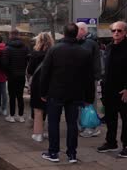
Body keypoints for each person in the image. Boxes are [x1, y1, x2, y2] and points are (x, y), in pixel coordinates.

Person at [40, 23, 94, 163]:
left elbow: (45, 73)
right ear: (76, 33)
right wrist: (89, 97)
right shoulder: (84, 52)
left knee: (53, 123)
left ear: (63, 33)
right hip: (75, 94)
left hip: (56, 93)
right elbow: (89, 77)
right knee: (72, 124)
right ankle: (72, 154)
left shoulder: (54, 50)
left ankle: (53, 153)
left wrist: (43, 92)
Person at [97, 21, 127, 158]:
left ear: (125, 32)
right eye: (114, 31)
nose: (116, 33)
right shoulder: (110, 47)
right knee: (111, 119)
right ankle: (111, 142)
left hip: (124, 91)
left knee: (126, 120)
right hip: (109, 91)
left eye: (119, 31)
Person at [76, 22, 102, 138]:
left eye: (76, 30)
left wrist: (96, 78)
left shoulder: (88, 43)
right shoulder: (89, 43)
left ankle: (91, 127)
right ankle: (85, 125)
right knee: (85, 103)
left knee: (88, 103)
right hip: (86, 78)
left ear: (82, 30)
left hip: (88, 78)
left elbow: (95, 62)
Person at [27, 32, 54, 142]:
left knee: (38, 109)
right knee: (50, 109)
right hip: (51, 83)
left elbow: (30, 70)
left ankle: (38, 134)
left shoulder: (35, 54)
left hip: (37, 84)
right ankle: (49, 132)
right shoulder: (54, 52)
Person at [0, 29, 29, 123]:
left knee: (12, 96)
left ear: (11, 36)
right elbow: (27, 61)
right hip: (21, 75)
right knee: (20, 96)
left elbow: (4, 63)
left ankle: (11, 116)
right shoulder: (25, 48)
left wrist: (7, 73)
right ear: (19, 35)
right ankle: (21, 116)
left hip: (11, 76)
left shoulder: (7, 48)